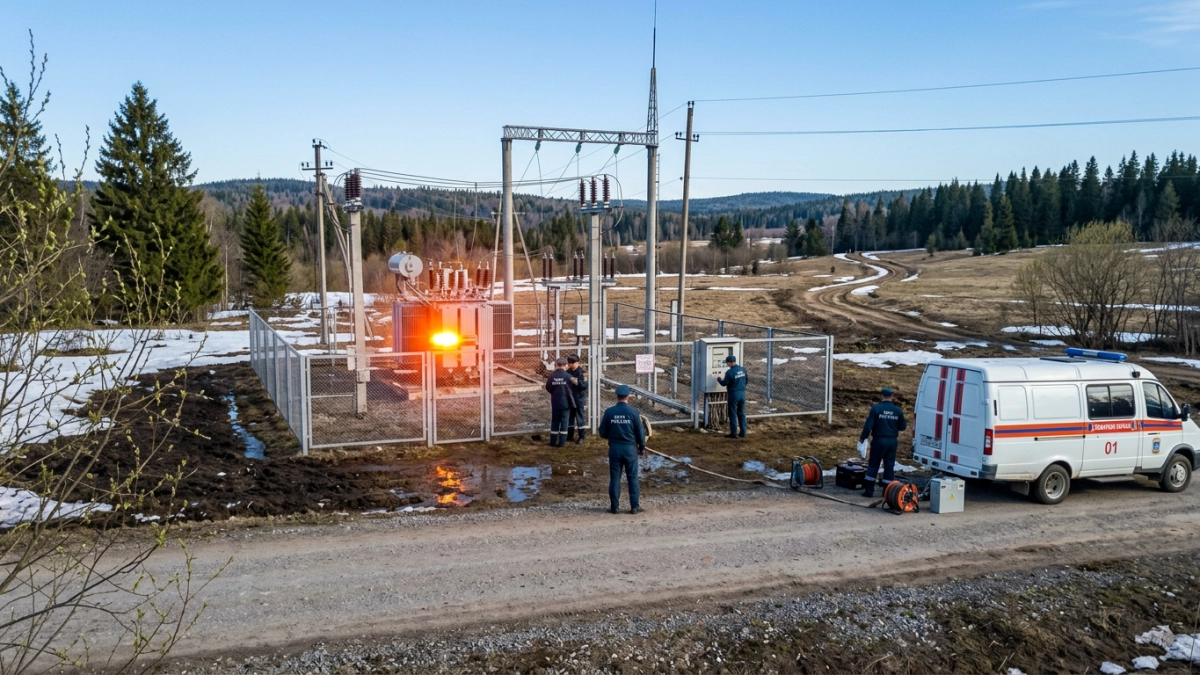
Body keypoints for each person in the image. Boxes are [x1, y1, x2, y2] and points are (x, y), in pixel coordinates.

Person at [598, 384, 646, 514]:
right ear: (628, 396)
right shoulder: (634, 412)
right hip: (630, 449)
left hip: (614, 448)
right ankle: (634, 506)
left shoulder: (609, 412)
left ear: (617, 396)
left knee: (615, 478)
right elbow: (640, 433)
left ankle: (614, 507)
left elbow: (602, 432)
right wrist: (642, 447)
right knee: (632, 477)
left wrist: (612, 436)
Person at [859, 386, 908, 497]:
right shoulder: (898, 410)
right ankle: (887, 492)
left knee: (873, 464)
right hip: (892, 441)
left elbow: (868, 425)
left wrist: (863, 437)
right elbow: (903, 427)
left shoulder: (876, 409)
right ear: (892, 397)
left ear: (882, 396)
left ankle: (869, 491)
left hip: (878, 440)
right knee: (889, 465)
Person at [545, 357, 575, 447]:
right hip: (566, 403)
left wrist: (554, 392)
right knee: (564, 422)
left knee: (555, 422)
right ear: (565, 365)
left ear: (556, 365)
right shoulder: (568, 376)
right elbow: (572, 387)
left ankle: (553, 441)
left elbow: (548, 387)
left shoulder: (552, 376)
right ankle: (562, 443)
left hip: (555, 402)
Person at [717, 354, 747, 438]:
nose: (727, 364)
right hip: (742, 393)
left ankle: (734, 433)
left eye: (727, 363)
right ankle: (743, 432)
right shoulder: (742, 369)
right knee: (741, 413)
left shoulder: (730, 372)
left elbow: (724, 383)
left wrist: (719, 380)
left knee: (732, 413)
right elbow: (746, 380)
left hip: (733, 394)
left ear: (730, 363)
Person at [566, 354, 588, 444]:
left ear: (576, 363)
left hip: (579, 399)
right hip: (570, 399)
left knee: (580, 418)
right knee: (570, 418)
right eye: (569, 363)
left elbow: (584, 386)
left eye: (571, 363)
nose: (569, 365)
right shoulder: (568, 372)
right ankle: (570, 435)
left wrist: (576, 382)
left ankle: (581, 436)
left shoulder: (582, 373)